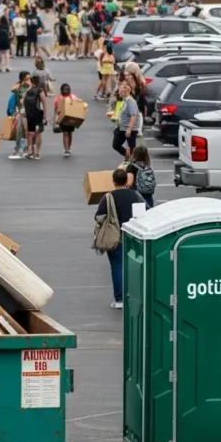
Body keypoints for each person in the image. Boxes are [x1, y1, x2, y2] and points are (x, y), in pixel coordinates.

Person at [95, 168, 145, 309]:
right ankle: (136, 295)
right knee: (134, 266)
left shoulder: (108, 197)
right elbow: (145, 211)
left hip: (115, 237)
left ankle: (119, 299)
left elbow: (99, 217)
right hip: (134, 236)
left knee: (117, 267)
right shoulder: (135, 195)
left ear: (114, 181)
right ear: (126, 181)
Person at [112, 82, 139, 158]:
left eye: (120, 90)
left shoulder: (131, 101)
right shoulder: (125, 100)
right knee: (116, 145)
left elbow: (133, 115)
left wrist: (129, 129)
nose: (119, 92)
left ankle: (132, 161)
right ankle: (128, 157)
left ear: (127, 90)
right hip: (122, 127)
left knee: (131, 147)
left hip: (129, 129)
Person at [8, 70, 31, 160]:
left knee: (28, 131)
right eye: (26, 79)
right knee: (18, 130)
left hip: (30, 111)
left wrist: (30, 86)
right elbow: (12, 89)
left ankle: (27, 148)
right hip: (20, 111)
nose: (29, 80)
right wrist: (21, 84)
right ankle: (18, 146)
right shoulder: (19, 88)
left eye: (29, 78)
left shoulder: (32, 87)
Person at [53, 83, 80, 157]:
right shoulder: (57, 98)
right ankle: (66, 149)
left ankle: (69, 147)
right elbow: (55, 109)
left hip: (71, 118)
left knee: (70, 133)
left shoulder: (73, 97)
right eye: (65, 89)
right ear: (61, 90)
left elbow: (79, 104)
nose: (66, 91)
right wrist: (55, 119)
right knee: (65, 133)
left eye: (68, 89)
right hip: (62, 118)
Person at [24, 74, 47, 160]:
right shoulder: (40, 90)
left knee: (30, 133)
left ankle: (29, 150)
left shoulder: (28, 90)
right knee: (38, 133)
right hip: (38, 114)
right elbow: (44, 103)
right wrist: (45, 116)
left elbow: (24, 101)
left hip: (29, 114)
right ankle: (37, 152)